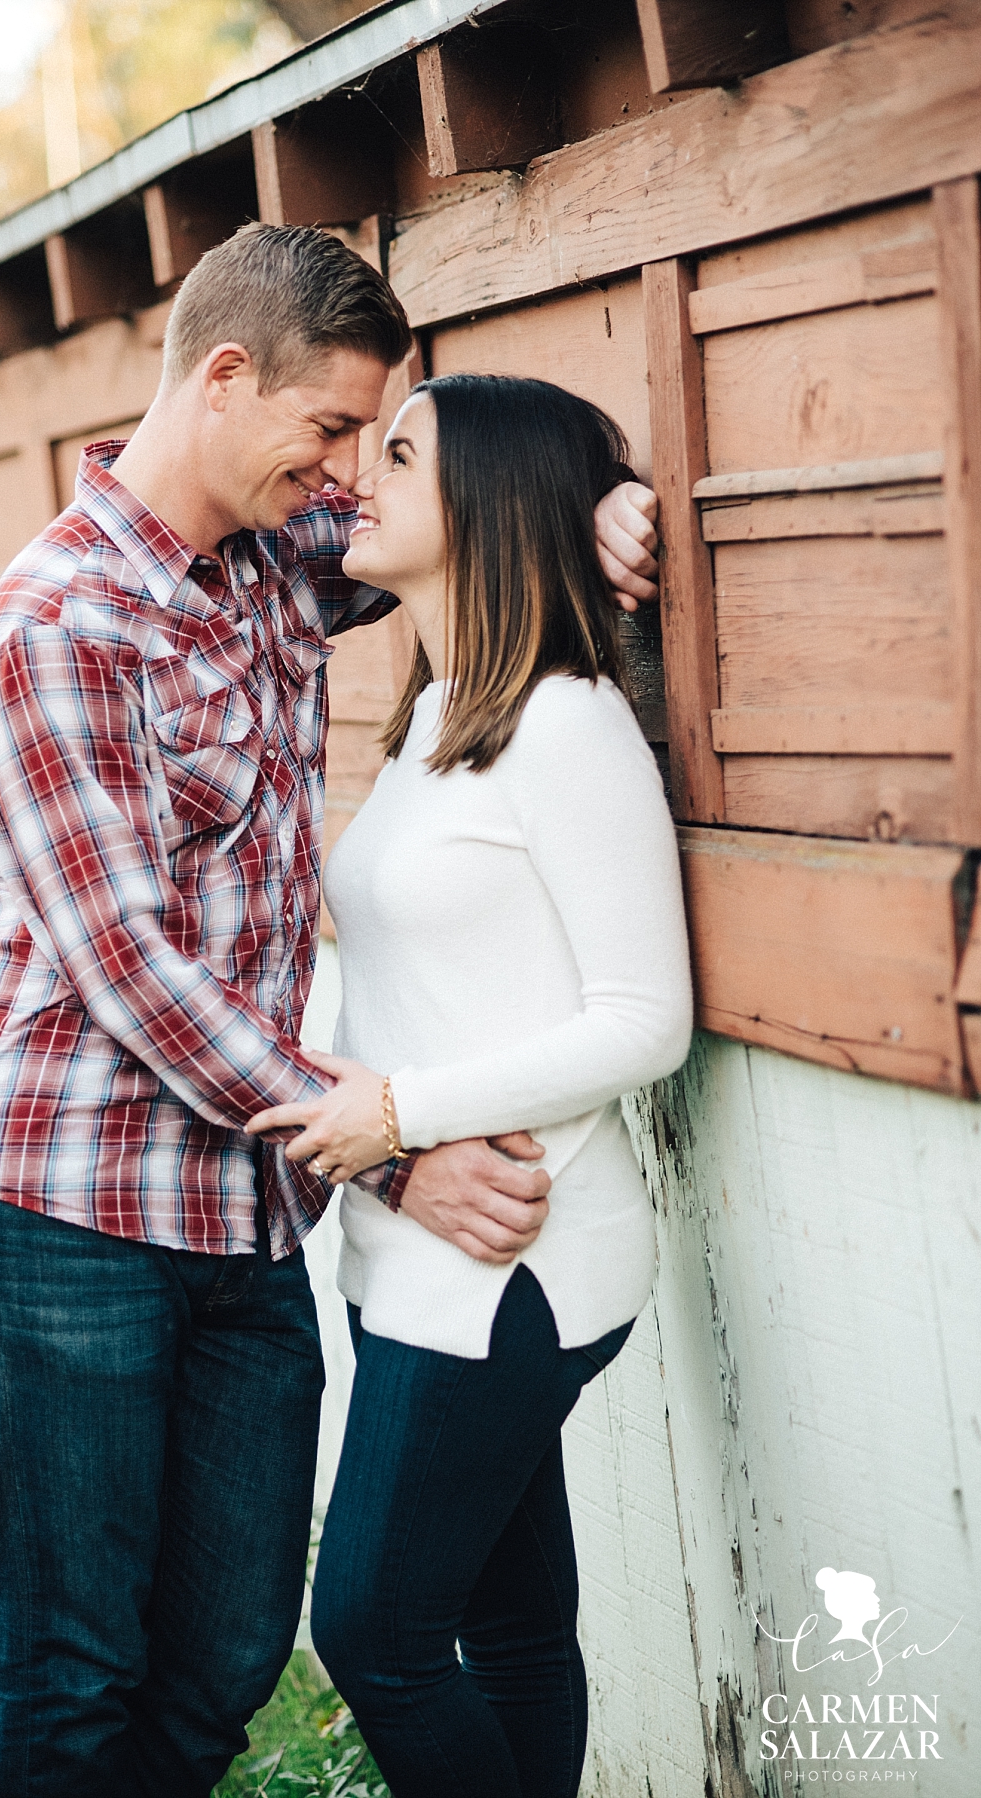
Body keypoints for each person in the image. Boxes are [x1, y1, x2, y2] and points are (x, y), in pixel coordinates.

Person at [0, 225, 661, 1798]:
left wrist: (607, 502)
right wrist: (387, 1145)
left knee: (227, 1658)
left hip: (244, 1205)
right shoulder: (59, 622)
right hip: (57, 1194)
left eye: (362, 445)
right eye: (329, 429)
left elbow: (466, 524)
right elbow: (132, 970)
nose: (342, 474)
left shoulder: (271, 563)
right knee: (77, 1666)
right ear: (227, 376)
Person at [247, 373, 692, 1798]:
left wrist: (397, 1113)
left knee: (372, 1626)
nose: (353, 480)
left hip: (516, 1249)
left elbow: (646, 1021)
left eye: (395, 453)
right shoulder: (440, 716)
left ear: (489, 498)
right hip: (408, 1246)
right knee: (506, 1628)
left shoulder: (566, 724)